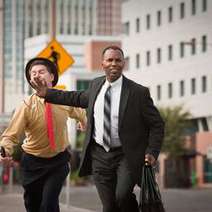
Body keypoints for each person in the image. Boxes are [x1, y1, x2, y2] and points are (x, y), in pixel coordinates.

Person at [31, 46, 165, 212]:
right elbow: (75, 97)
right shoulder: (96, 85)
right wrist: (47, 93)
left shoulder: (138, 92)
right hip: (99, 155)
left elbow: (157, 124)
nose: (113, 63)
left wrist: (152, 151)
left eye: (118, 60)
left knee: (122, 196)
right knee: (109, 206)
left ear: (123, 63)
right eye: (109, 60)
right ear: (103, 64)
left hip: (126, 154)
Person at [0, 58, 86, 212]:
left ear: (52, 76)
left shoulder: (64, 99)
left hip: (58, 161)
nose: (37, 75)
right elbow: (10, 135)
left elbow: (81, 112)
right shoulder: (26, 105)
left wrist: (84, 122)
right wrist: (4, 151)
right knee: (33, 206)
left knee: (48, 204)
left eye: (41, 72)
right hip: (32, 162)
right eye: (33, 74)